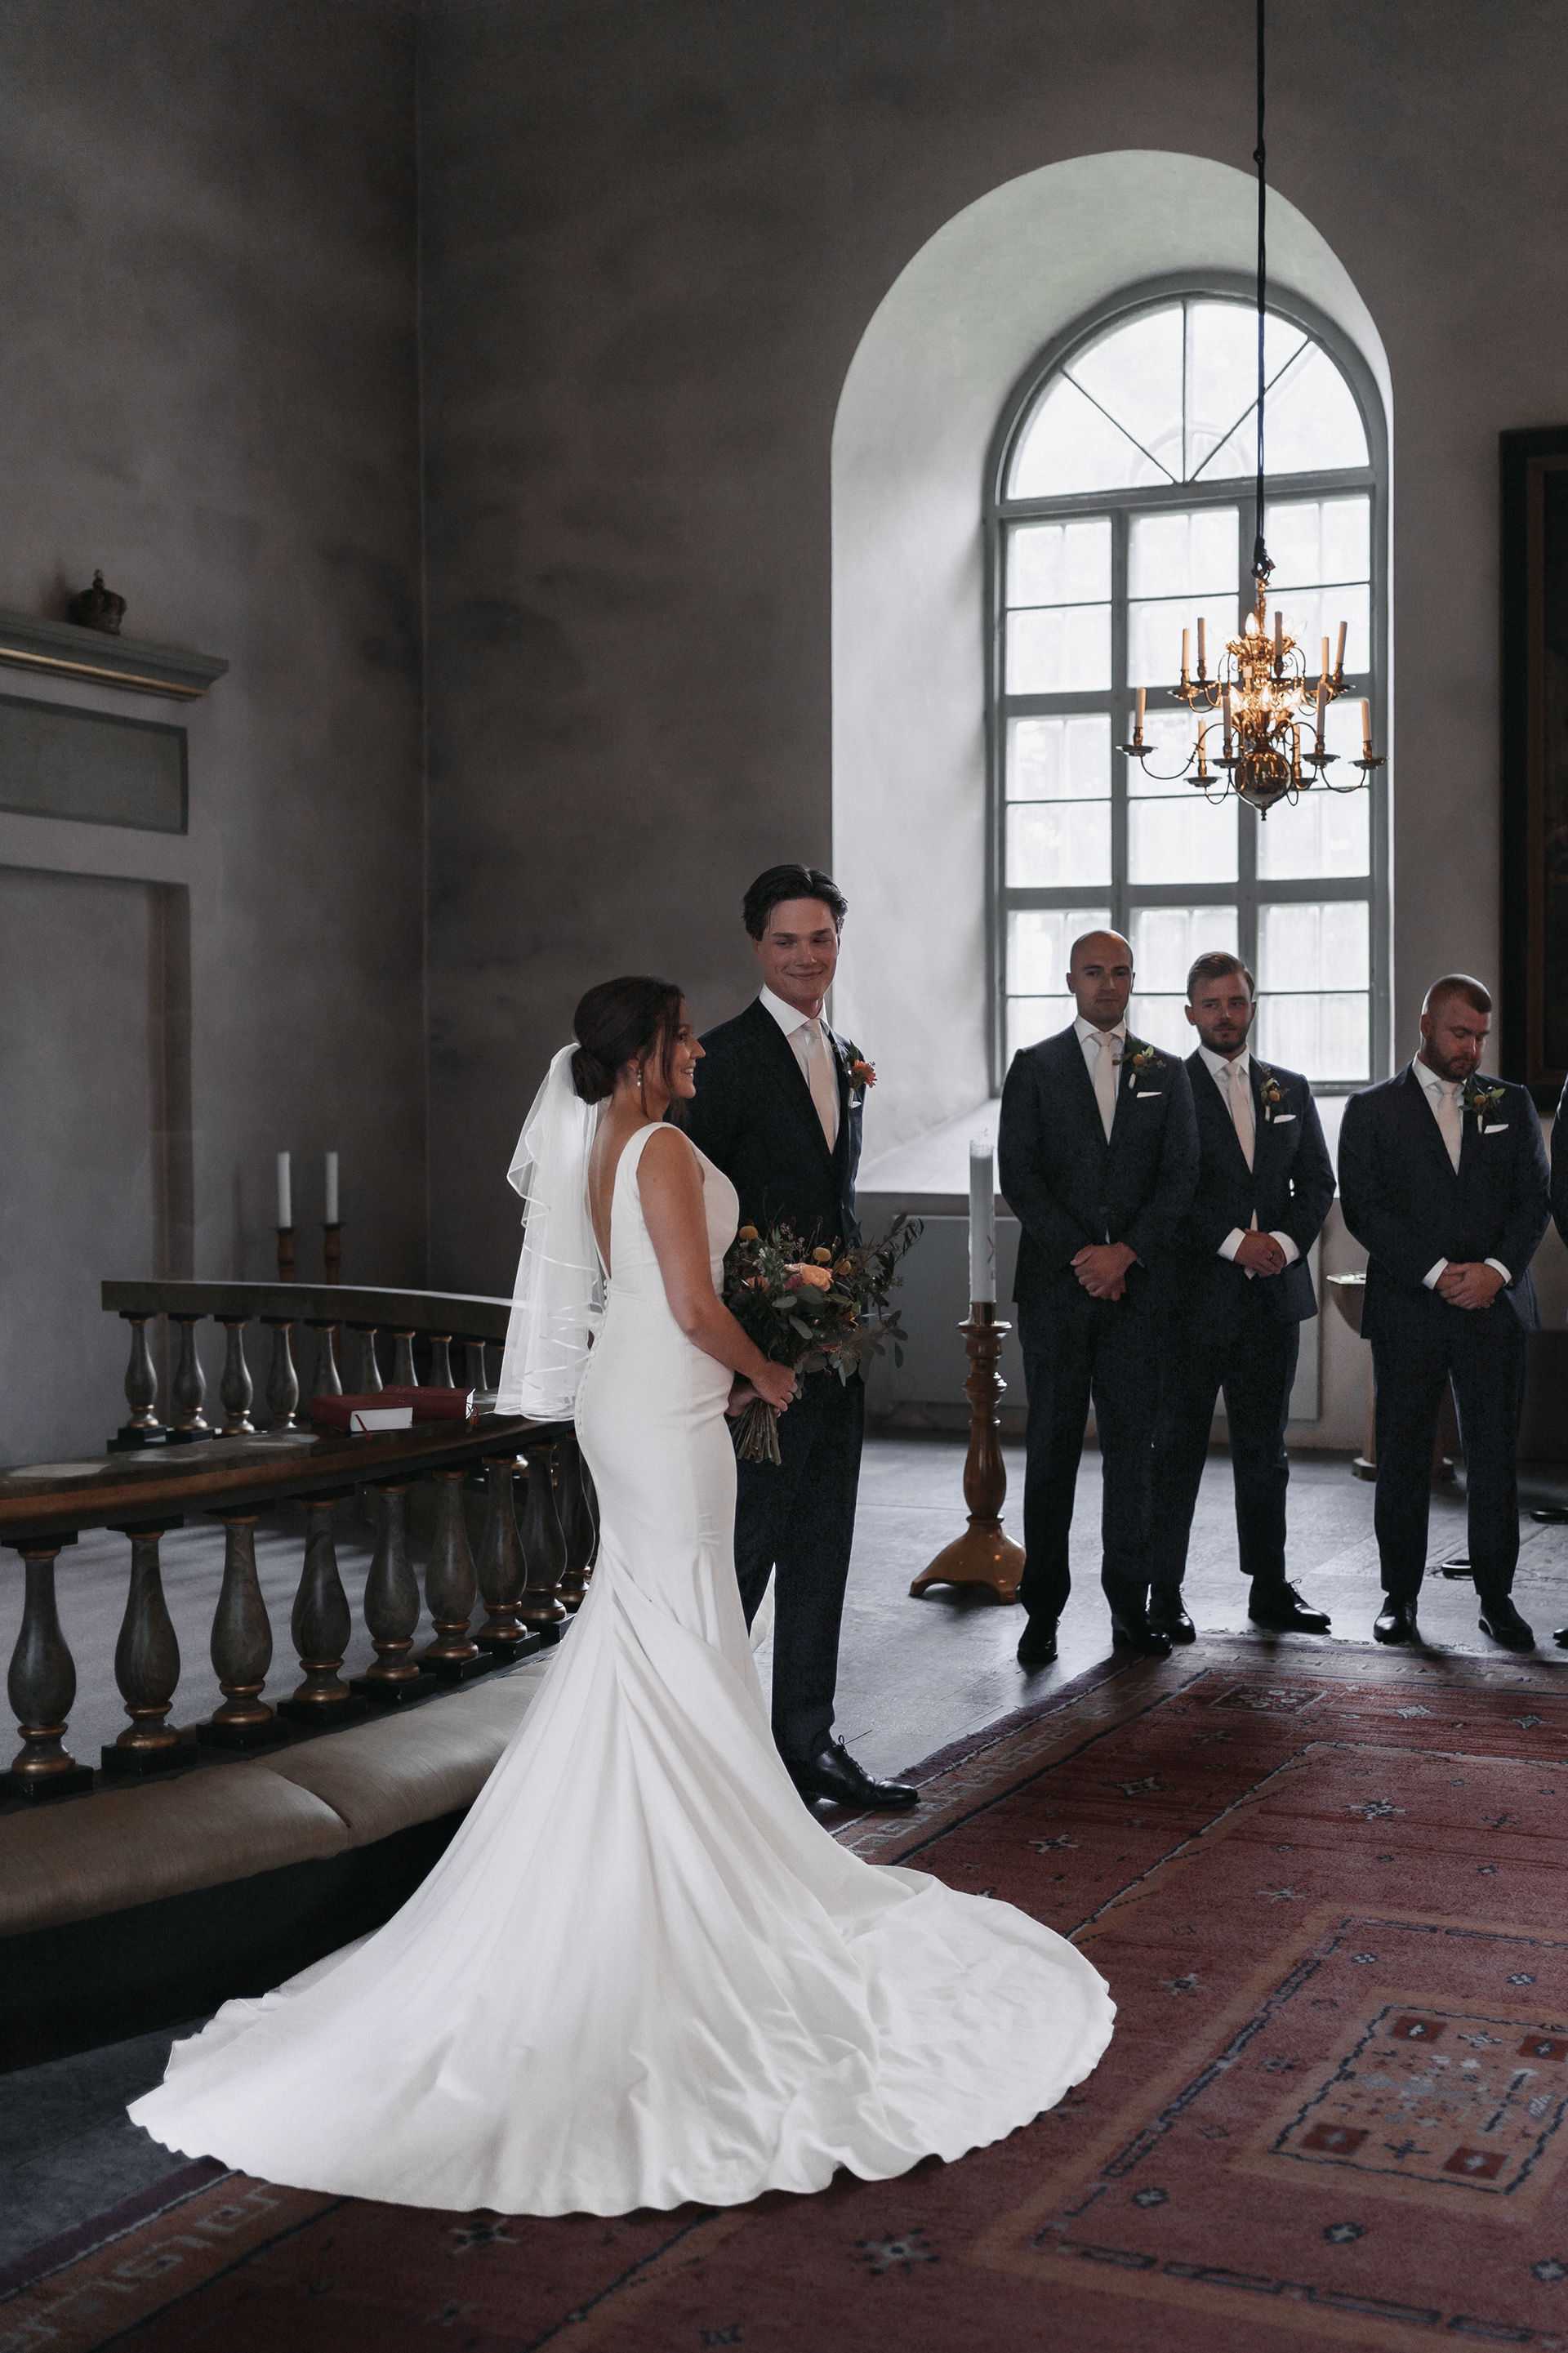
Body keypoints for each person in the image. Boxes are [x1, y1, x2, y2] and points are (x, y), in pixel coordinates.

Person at [127, 976, 1113, 2215]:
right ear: (645, 1053)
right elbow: (694, 1306)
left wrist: (740, 1364)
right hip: (663, 1415)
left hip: (652, 1399)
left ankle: (656, 1843)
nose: (699, 1050)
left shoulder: (614, 1142)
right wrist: (771, 1369)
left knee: (656, 1625)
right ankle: (688, 1877)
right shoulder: (656, 1148)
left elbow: (657, 1299)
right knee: (679, 1618)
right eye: (683, 1036)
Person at [684, 864, 913, 1812]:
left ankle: (808, 1743)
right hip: (757, 1356)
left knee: (824, 1546)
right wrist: (738, 1355)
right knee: (745, 1552)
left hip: (834, 1349)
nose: (806, 956)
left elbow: (832, 1202)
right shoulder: (723, 1059)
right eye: (787, 941)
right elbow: (697, 1215)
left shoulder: (847, 1056)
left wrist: (845, 1312)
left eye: (821, 938)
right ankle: (707, 1755)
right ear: (756, 946)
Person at [998, 929, 1198, 1668]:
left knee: (1133, 1453)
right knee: (1052, 1451)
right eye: (1093, 971)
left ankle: (1128, 1606)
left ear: (1133, 980)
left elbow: (1181, 1175)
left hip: (1140, 1293)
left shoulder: (1165, 1071)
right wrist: (1084, 1257)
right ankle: (1042, 1611)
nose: (1107, 984)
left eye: (1120, 972)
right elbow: (1020, 1175)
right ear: (1070, 981)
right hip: (1057, 1291)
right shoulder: (1036, 1066)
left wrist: (1126, 1253)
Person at [1338, 974, 1550, 1650]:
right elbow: (1365, 1208)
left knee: (1494, 1457)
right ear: (1426, 1024)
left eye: (1481, 1037)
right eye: (1461, 1033)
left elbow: (1534, 1199)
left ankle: (1498, 1599)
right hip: (1410, 1306)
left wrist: (1494, 1272)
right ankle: (1398, 1598)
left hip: (1494, 1306)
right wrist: (1435, 1272)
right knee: (1403, 1458)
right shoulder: (1371, 1109)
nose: (1472, 1049)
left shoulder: (1511, 1103)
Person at [1148, 951, 1336, 1642]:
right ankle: (1163, 1593)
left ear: (1251, 1007)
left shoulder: (1291, 1088)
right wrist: (1234, 1243)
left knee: (1266, 1453)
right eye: (1211, 1003)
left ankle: (1270, 1587)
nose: (1224, 1015)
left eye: (1235, 1002)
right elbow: (1164, 1191)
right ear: (1190, 1012)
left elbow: (1318, 1184)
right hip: (1190, 1303)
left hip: (1270, 1303)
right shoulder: (1165, 1090)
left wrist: (1280, 1245)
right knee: (1176, 1453)